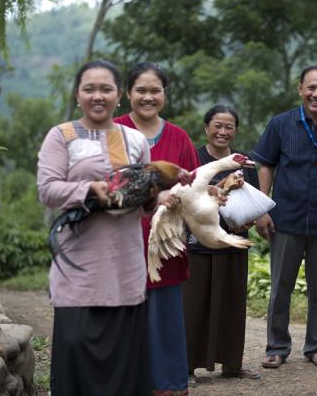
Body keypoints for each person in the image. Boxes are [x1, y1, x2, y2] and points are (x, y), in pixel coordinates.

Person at [37, 60, 151, 395]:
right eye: (89, 89)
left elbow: (143, 196)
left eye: (106, 89)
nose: (97, 96)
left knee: (124, 363)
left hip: (125, 265)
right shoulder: (63, 135)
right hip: (79, 266)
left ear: (119, 96)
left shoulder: (134, 139)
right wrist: (88, 189)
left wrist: (155, 198)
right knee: (77, 351)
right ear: (77, 95)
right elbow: (47, 189)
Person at [253, 65, 317, 369]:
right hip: (285, 218)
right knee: (281, 287)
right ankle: (277, 346)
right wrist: (262, 208)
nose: (316, 94)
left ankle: (316, 346)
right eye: (311, 87)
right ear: (300, 89)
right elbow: (266, 165)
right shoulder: (281, 124)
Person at [114, 62, 200, 396]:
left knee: (165, 317)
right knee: (124, 317)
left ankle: (167, 385)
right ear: (127, 93)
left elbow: (194, 186)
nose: (148, 97)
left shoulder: (179, 136)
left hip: (167, 245)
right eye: (141, 90)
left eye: (155, 90)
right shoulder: (114, 131)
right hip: (121, 241)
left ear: (164, 93)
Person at [183, 105, 262, 386]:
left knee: (232, 304)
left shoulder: (243, 163)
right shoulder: (193, 159)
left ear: (235, 131)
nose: (222, 132)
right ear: (206, 127)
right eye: (217, 125)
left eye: (229, 127)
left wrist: (247, 223)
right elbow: (185, 199)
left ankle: (232, 364)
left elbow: (254, 202)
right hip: (198, 243)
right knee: (194, 306)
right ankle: (187, 367)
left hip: (233, 242)